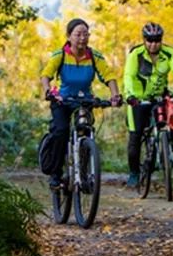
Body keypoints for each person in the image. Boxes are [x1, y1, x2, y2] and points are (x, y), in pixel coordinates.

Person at [40, 18, 121, 188]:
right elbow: (46, 74)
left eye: (85, 34)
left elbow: (109, 75)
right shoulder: (60, 55)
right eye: (78, 34)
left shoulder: (94, 57)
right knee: (61, 131)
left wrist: (115, 95)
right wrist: (49, 92)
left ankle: (83, 172)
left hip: (84, 101)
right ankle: (56, 174)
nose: (82, 38)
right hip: (62, 101)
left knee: (85, 130)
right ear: (69, 36)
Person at [123, 22, 173, 187]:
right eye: (150, 40)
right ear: (144, 40)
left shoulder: (168, 53)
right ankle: (134, 173)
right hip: (138, 99)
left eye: (157, 40)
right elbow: (128, 76)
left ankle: (168, 142)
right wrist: (130, 95)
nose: (153, 44)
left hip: (160, 95)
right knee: (135, 137)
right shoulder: (136, 54)